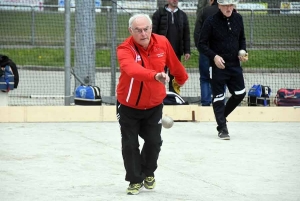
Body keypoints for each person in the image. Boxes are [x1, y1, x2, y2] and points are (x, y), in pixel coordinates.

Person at [116, 14, 188, 195]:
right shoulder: (125, 49)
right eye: (138, 30)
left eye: (146, 29)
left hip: (154, 105)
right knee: (130, 145)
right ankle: (134, 180)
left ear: (151, 28)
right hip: (128, 106)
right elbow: (132, 70)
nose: (143, 33)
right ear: (130, 31)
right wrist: (154, 75)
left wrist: (181, 79)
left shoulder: (162, 43)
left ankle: (148, 172)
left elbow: (174, 63)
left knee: (154, 142)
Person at [198, 0, 248, 140]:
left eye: (231, 5)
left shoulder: (238, 18)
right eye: (225, 5)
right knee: (219, 97)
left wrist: (242, 51)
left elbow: (242, 39)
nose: (228, 8)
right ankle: (222, 128)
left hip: (235, 65)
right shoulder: (211, 21)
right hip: (218, 66)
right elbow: (201, 44)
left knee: (240, 93)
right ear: (219, 6)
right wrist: (214, 57)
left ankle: (222, 117)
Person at [152, 0, 190, 94]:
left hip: (176, 51)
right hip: (161, 52)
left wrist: (187, 51)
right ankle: (159, 96)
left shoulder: (182, 15)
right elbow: (153, 33)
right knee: (161, 74)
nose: (175, 0)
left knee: (175, 75)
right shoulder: (159, 14)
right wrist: (153, 48)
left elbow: (186, 35)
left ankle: (174, 97)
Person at [194, 0, 218, 106]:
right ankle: (218, 100)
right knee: (221, 77)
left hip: (205, 50)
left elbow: (197, 32)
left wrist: (200, 47)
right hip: (221, 51)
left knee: (204, 78)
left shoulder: (204, 11)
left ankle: (205, 102)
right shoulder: (228, 11)